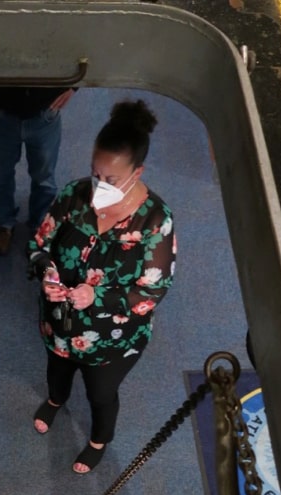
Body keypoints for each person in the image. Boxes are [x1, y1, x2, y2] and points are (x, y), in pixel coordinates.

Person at [28, 99, 176, 473]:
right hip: (59, 321)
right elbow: (39, 243)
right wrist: (46, 271)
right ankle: (56, 400)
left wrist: (98, 296)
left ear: (137, 172)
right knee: (57, 371)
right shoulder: (73, 196)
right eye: (95, 174)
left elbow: (152, 291)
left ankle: (98, 440)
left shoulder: (156, 221)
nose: (99, 187)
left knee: (100, 393)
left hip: (113, 336)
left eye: (111, 180)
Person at [0, 86, 75, 255]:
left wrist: (75, 85)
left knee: (44, 178)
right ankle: (4, 223)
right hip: (0, 110)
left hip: (45, 110)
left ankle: (41, 224)